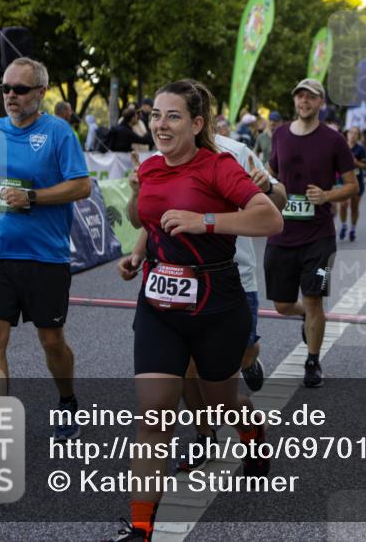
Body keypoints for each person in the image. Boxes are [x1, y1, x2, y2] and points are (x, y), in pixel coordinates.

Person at [113, 79, 283, 541]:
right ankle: (142, 529)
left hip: (217, 302)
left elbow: (271, 217)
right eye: (155, 116)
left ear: (197, 123)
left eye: (172, 116)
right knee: (155, 414)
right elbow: (152, 218)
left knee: (221, 404)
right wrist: (139, 253)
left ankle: (252, 436)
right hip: (158, 302)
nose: (160, 125)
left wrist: (205, 220)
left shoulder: (219, 167)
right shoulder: (150, 167)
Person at [0, 57, 91, 441]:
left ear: (41, 93)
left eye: (19, 89)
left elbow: (82, 186)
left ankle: (67, 400)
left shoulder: (59, 132)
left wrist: (33, 196)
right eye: (5, 88)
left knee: (51, 340)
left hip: (45, 255)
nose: (10, 96)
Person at [266, 78, 357, 388]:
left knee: (315, 298)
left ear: (321, 103)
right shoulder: (279, 135)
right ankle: (306, 315)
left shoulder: (334, 140)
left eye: (311, 97)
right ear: (295, 101)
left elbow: (352, 185)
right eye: (300, 96)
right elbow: (273, 177)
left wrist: (327, 196)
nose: (304, 101)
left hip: (319, 235)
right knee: (280, 304)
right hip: (281, 233)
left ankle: (313, 361)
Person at [337, 126, 366, 242]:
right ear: (347, 134)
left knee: (354, 207)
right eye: (351, 132)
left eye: (356, 133)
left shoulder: (360, 149)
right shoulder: (341, 147)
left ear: (358, 136)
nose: (353, 135)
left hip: (357, 182)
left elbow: (365, 167)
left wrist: (356, 163)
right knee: (343, 205)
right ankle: (344, 225)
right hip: (342, 181)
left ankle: (353, 229)